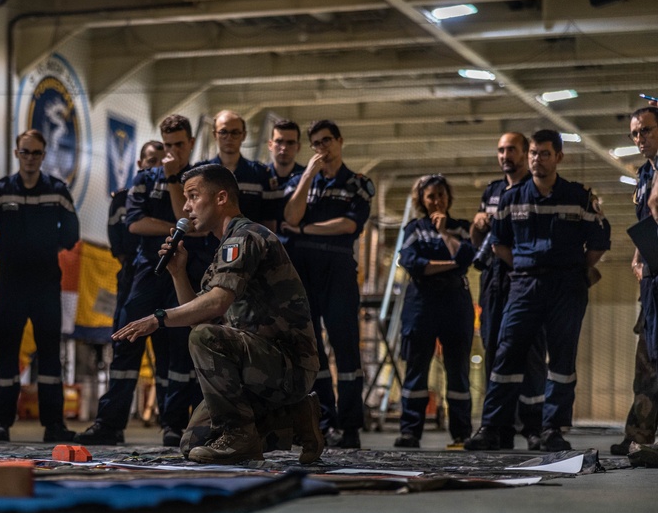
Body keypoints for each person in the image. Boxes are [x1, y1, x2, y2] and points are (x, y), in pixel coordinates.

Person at [112, 164, 322, 465]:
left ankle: (239, 437)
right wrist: (178, 273)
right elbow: (202, 315)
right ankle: (296, 417)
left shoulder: (245, 237)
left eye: (193, 196)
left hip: (288, 366)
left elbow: (216, 305)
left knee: (205, 338)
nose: (185, 207)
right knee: (193, 443)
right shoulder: (226, 246)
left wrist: (158, 318)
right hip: (257, 364)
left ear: (221, 198)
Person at [466, 129, 610, 452]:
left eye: (544, 154)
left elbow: (599, 243)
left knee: (561, 359)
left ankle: (551, 429)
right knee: (506, 354)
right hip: (524, 284)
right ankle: (492, 427)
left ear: (558, 157)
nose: (536, 160)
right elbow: (499, 244)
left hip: (566, 286)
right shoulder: (511, 198)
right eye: (532, 153)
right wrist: (525, 265)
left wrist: (571, 268)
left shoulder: (578, 197)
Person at [75, 115, 210, 447]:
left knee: (179, 352)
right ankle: (110, 423)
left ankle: (174, 426)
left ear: (191, 143)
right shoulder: (143, 179)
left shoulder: (199, 179)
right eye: (168, 145)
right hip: (146, 271)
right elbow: (135, 224)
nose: (173, 151)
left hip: (185, 272)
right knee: (126, 342)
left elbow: (190, 219)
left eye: (179, 144)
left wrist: (175, 180)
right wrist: (174, 228)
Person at [281, 119, 375, 449]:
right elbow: (290, 217)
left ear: (339, 141)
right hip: (304, 272)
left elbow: (348, 225)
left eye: (327, 141)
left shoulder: (358, 184)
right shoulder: (300, 181)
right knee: (312, 350)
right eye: (316, 143)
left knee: (346, 349)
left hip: (338, 270)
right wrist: (306, 176)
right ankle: (324, 421)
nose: (323, 148)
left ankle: (349, 426)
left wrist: (307, 231)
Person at [0, 129, 80, 443]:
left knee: (50, 357)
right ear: (16, 153)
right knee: (7, 356)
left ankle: (54, 425)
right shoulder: (0, 191)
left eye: (36, 153)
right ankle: (1, 423)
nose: (30, 158)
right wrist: (8, 255)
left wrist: (42, 252)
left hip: (45, 283)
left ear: (44, 154)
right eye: (25, 152)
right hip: (11, 284)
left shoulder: (57, 191)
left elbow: (71, 234)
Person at [471, 132, 547, 450]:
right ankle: (497, 427)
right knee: (493, 351)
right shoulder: (492, 191)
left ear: (525, 152)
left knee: (529, 354)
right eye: (501, 150)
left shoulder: (538, 189)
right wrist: (477, 226)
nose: (505, 156)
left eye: (511, 150)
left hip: (526, 278)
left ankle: (533, 427)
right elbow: (478, 244)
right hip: (494, 280)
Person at [395, 175, 475, 447]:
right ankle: (409, 431)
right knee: (416, 370)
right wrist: (450, 262)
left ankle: (462, 433)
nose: (436, 200)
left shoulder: (461, 228)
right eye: (430, 196)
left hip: (455, 304)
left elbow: (466, 259)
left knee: (458, 371)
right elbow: (412, 263)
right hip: (421, 305)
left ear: (448, 197)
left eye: (440, 195)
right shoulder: (414, 229)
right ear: (422, 200)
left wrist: (443, 235)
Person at [612, 106, 658, 455]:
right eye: (635, 133)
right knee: (646, 360)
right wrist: (639, 253)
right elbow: (646, 220)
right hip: (652, 280)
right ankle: (639, 435)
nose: (640, 138)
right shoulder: (644, 175)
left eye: (646, 130)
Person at [198, 110, 282, 230]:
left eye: (235, 132)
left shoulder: (260, 173)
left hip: (249, 245)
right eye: (223, 132)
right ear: (214, 134)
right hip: (210, 246)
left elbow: (269, 222)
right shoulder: (201, 173)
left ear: (244, 135)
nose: (229, 137)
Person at [108, 141, 164, 321]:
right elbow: (115, 238)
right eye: (152, 161)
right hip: (131, 272)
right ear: (140, 164)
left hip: (162, 272)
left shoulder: (170, 201)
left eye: (162, 163)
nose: (157, 168)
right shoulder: (122, 199)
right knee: (126, 328)